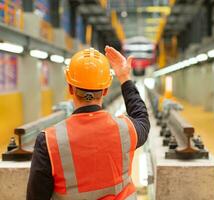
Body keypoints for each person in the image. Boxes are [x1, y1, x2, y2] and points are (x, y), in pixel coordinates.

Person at [26, 46, 150, 200]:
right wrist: (124, 77)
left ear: (70, 88)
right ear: (105, 90)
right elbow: (142, 118)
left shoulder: (49, 142)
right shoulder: (126, 130)